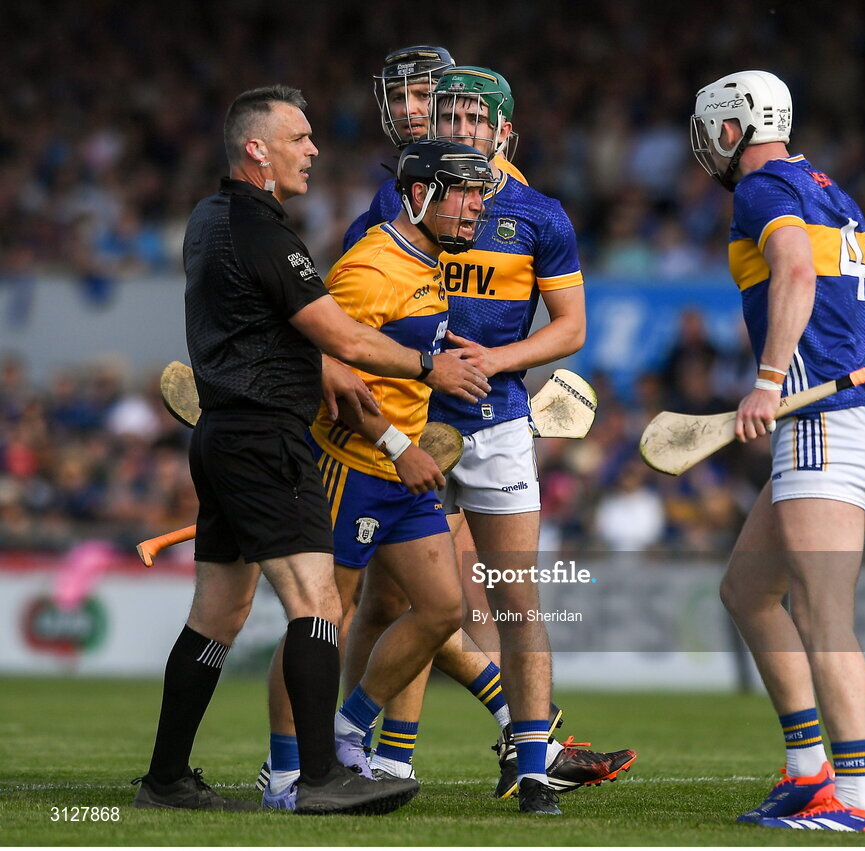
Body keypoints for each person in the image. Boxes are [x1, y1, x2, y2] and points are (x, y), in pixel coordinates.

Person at [130, 85, 488, 816]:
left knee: (217, 615)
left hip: (223, 435)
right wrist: (429, 368)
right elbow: (343, 339)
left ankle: (166, 779)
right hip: (267, 439)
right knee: (318, 603)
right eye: (298, 138)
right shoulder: (263, 231)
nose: (313, 150)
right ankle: (317, 774)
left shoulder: (207, 217)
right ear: (256, 149)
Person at [324, 53, 636, 815]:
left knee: (514, 601)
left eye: (475, 118)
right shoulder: (401, 197)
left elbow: (571, 328)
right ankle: (371, 755)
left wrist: (494, 361)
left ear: (504, 132)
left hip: (496, 426)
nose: (462, 128)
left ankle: (532, 770)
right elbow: (352, 312)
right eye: (450, 115)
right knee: (393, 601)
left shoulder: (538, 215)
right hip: (414, 428)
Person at [689, 70, 865, 831]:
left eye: (709, 130)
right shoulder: (834, 194)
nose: (707, 146)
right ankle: (811, 770)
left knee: (822, 616)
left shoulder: (760, 188)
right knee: (748, 593)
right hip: (852, 425)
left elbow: (793, 268)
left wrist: (768, 380)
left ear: (731, 129)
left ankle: (858, 800)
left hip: (819, 424)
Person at [259, 138, 499, 811]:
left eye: (479, 194)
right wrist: (398, 445)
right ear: (418, 195)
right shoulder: (367, 269)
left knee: (443, 608)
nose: (476, 207)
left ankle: (344, 731)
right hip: (351, 467)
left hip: (402, 473)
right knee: (319, 622)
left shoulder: (430, 260)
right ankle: (283, 772)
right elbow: (328, 370)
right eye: (463, 192)